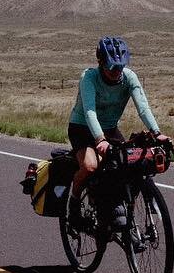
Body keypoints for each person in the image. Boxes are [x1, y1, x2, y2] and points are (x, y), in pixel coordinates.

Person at [67, 36, 168, 224]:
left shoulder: (129, 77)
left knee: (128, 164)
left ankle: (111, 207)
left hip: (110, 128)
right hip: (82, 127)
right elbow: (90, 111)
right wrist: (99, 139)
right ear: (101, 62)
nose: (117, 71)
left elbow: (143, 107)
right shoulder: (89, 77)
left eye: (121, 66)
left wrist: (156, 132)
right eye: (113, 67)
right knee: (91, 166)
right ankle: (74, 202)